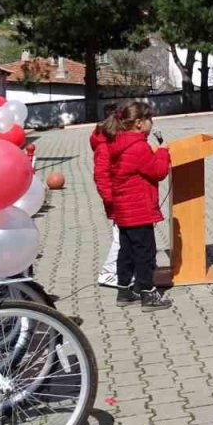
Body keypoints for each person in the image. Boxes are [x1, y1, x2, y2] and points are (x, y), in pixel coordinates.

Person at [107, 102, 172, 309]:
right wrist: (162, 151)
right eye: (149, 120)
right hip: (139, 210)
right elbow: (158, 171)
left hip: (125, 210)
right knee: (145, 252)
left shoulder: (119, 143)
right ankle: (148, 294)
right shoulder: (138, 146)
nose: (152, 124)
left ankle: (124, 291)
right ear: (138, 123)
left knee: (126, 251)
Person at [91, 104, 120, 288]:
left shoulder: (108, 142)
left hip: (120, 197)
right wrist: (111, 199)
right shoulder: (104, 146)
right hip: (117, 200)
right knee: (121, 239)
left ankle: (120, 269)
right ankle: (108, 272)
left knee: (123, 237)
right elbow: (101, 175)